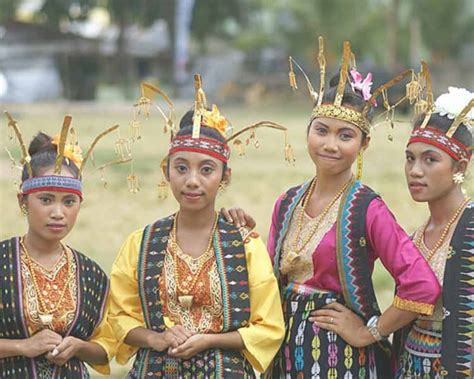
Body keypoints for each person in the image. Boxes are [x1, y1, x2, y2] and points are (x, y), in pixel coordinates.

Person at [226, 41, 442, 378]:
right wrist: (242, 237)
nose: (330, 144)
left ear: (363, 144)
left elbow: (421, 285)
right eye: (321, 131)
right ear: (308, 131)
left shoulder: (367, 208)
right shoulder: (288, 201)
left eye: (345, 135)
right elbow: (267, 282)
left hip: (340, 358)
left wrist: (369, 330)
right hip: (283, 351)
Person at [108, 76, 285, 378]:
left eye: (206, 170)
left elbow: (268, 327)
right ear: (166, 171)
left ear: (225, 176)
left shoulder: (244, 244)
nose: (192, 180)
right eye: (181, 168)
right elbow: (118, 316)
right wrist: (156, 338)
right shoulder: (142, 243)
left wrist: (209, 341)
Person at [0, 114, 117, 378]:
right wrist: (23, 346)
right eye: (46, 200)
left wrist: (79, 347)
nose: (58, 212)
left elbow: (108, 348)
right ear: (23, 201)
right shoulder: (3, 259)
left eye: (68, 202)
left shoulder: (91, 274)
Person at [395, 86, 473, 379]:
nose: (415, 170)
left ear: (460, 166)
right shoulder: (415, 237)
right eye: (410, 158)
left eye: (430, 159)